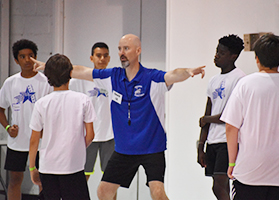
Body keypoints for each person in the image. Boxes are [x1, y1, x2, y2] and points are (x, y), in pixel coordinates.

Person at [32, 33, 205, 200]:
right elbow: (80, 71)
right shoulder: (112, 76)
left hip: (152, 147)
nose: (122, 53)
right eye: (120, 49)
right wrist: (48, 66)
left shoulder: (152, 77)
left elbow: (173, 74)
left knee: (157, 193)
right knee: (103, 192)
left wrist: (187, 71)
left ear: (138, 51)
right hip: (124, 149)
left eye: (127, 48)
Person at [220, 33, 279, 200]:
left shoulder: (244, 84)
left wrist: (232, 163)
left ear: (256, 58)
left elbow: (231, 127)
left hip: (249, 172)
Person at [29, 54, 96, 200]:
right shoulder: (83, 99)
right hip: (73, 166)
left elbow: (34, 140)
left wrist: (32, 167)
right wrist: (76, 148)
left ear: (48, 77)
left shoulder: (41, 103)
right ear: (70, 74)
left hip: (48, 166)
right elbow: (90, 135)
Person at [0, 39, 52, 200]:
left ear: (36, 57)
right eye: (22, 56)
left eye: (30, 56)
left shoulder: (46, 82)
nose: (27, 60)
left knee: (43, 181)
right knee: (15, 180)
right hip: (18, 142)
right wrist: (8, 128)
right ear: (16, 60)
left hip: (41, 143)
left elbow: (54, 110)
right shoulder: (10, 83)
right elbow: (1, 109)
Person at [197, 34, 245, 200]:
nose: (216, 55)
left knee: (219, 185)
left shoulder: (240, 79)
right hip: (213, 141)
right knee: (219, 186)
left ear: (233, 56)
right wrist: (200, 145)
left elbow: (230, 115)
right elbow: (208, 112)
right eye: (217, 51)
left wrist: (206, 119)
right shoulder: (213, 80)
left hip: (228, 141)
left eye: (222, 53)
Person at [69, 42, 115, 181]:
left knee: (110, 180)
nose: (102, 59)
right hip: (87, 135)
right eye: (98, 55)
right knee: (83, 177)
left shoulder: (115, 79)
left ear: (109, 58)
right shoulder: (80, 80)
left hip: (110, 136)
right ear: (91, 58)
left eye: (105, 56)